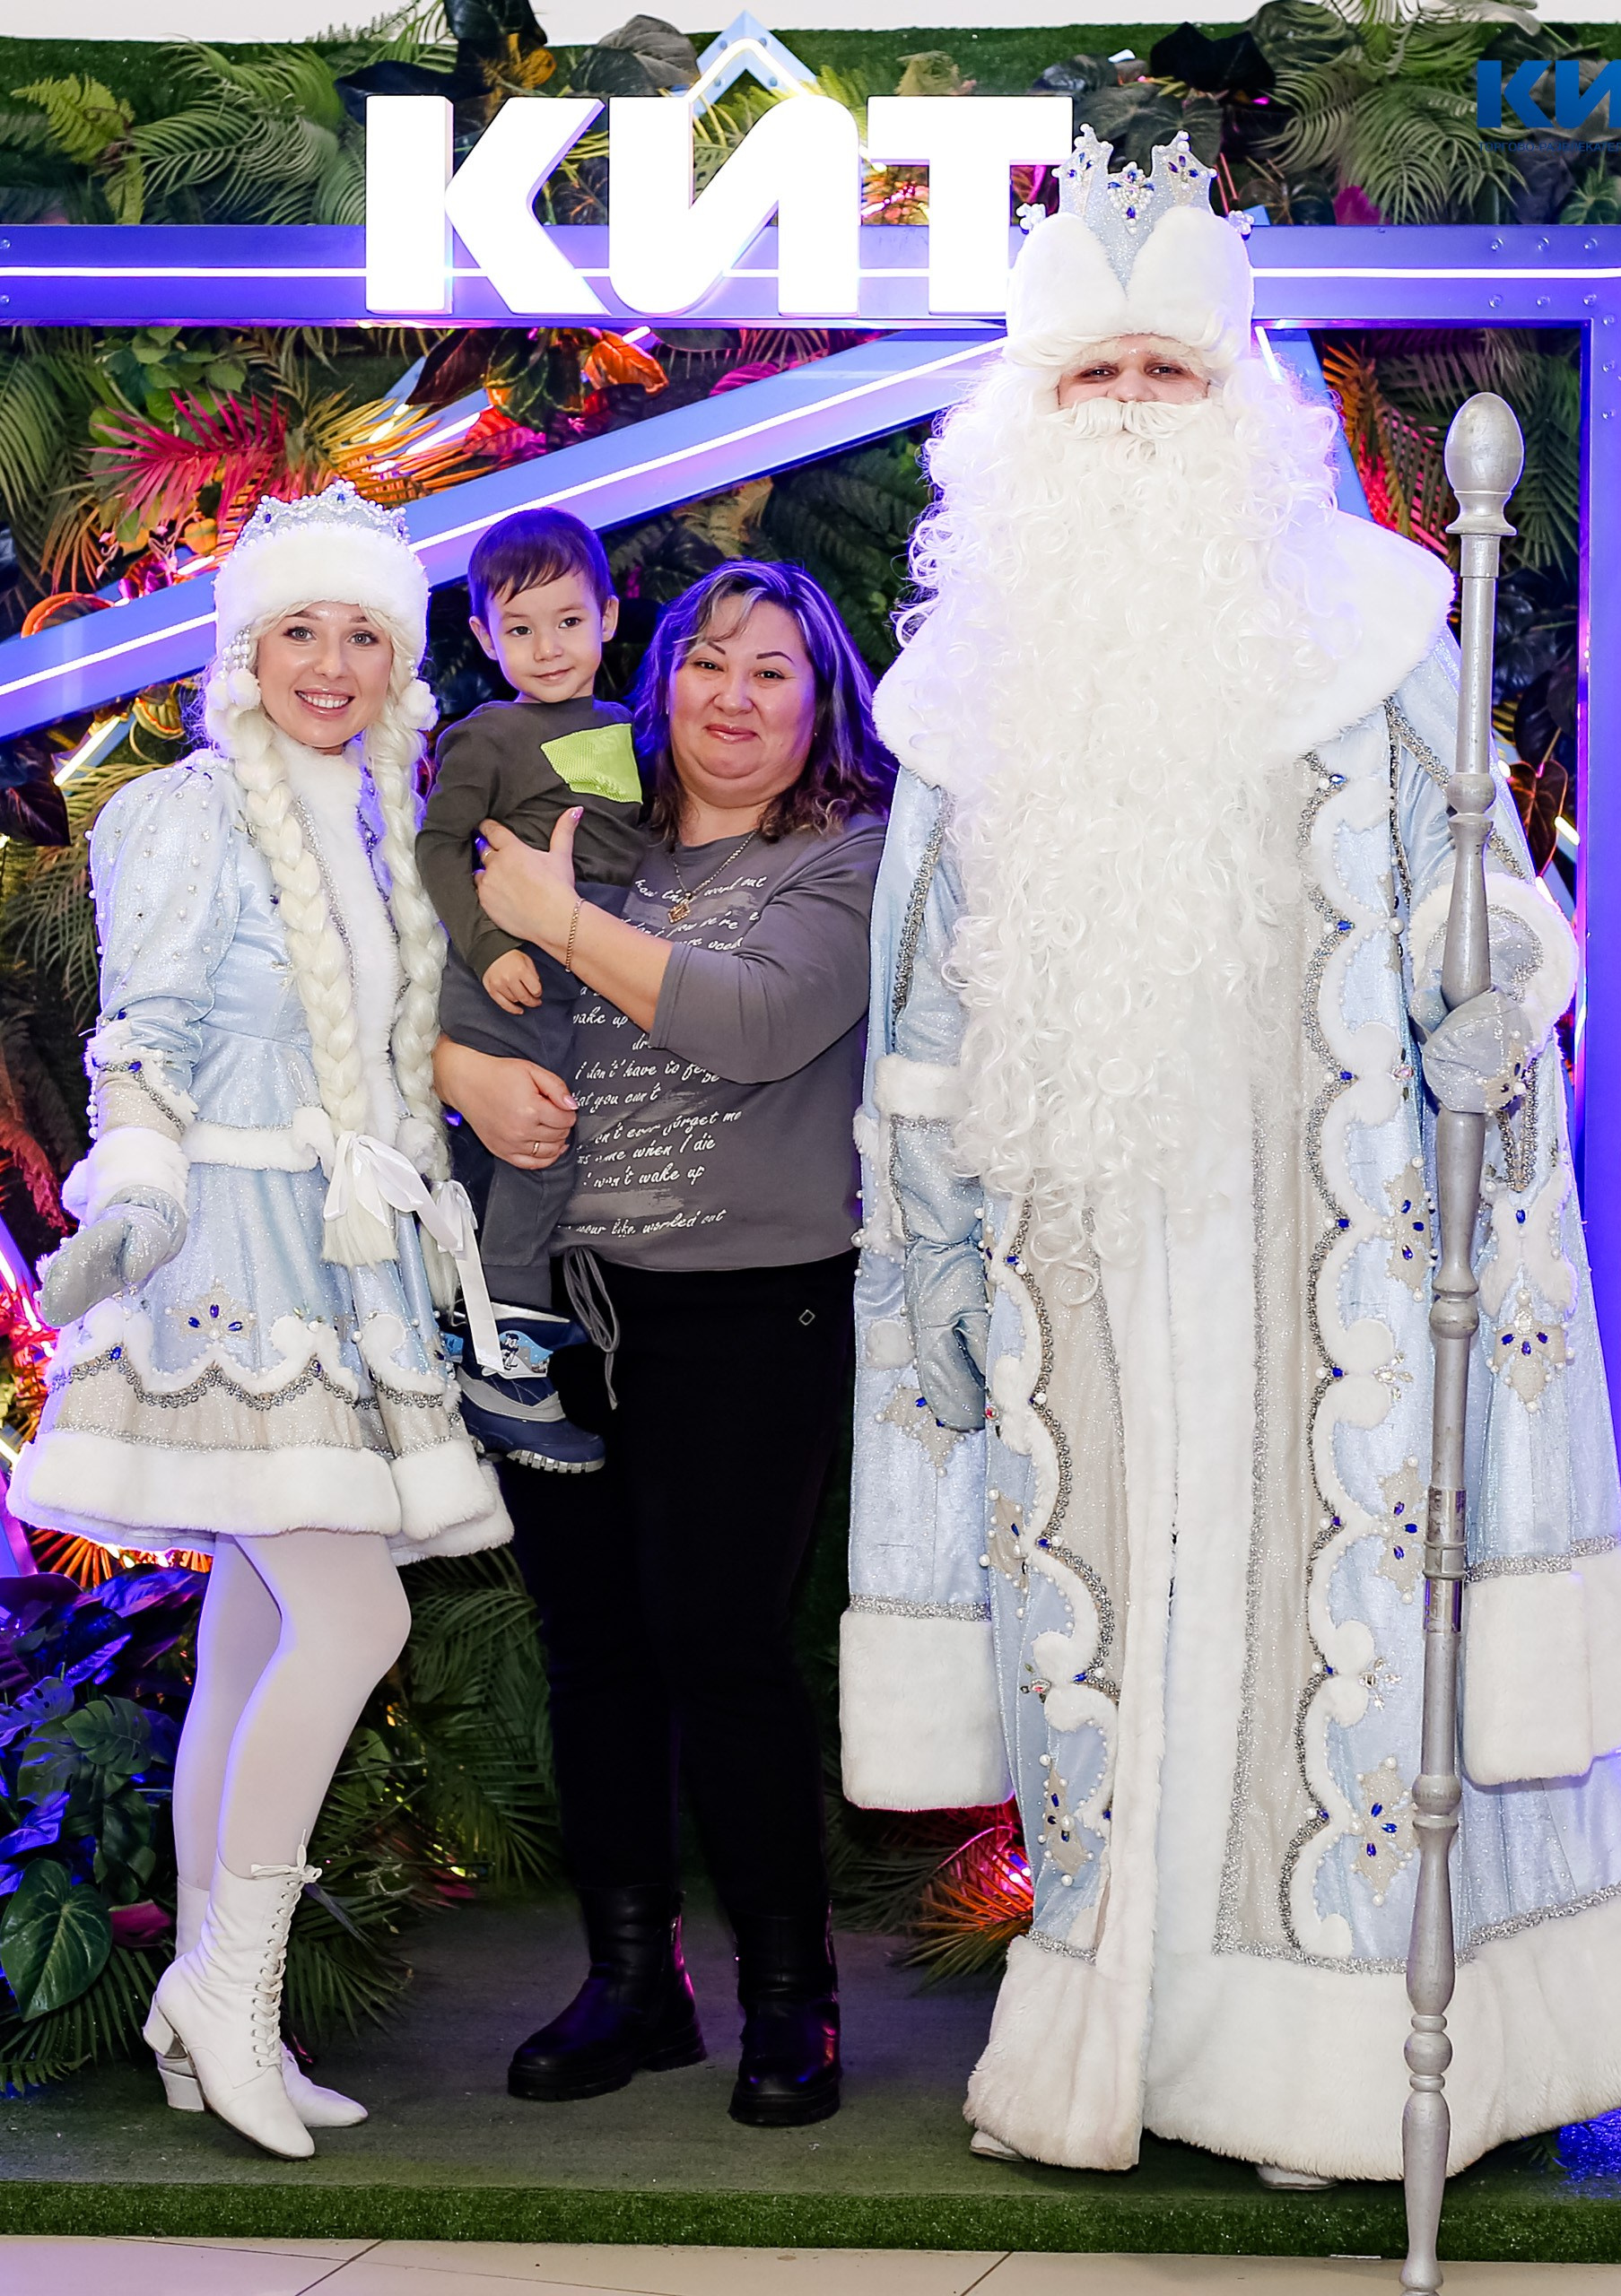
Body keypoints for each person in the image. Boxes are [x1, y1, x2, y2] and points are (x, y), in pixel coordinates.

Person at [839, 129, 1621, 2180]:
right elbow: (922, 1029)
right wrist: (940, 1266)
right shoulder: (963, 699)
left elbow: (1470, 897)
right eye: (1090, 381)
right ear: (1028, 418)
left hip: (1331, 1233)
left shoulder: (1376, 635)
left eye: (1163, 377)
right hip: (1074, 1255)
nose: (1130, 414)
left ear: (1233, 406)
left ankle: (1324, 2070)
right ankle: (1124, 2039)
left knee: (1320, 1658)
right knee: (1110, 1666)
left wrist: (1492, 971)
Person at [12, 483, 510, 2162]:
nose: (332, 658)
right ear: (244, 646)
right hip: (232, 1251)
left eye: (363, 629)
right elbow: (138, 1039)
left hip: (340, 1251)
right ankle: (227, 1985)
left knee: (250, 1632)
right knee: (351, 1624)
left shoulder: (375, 826)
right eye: (301, 624)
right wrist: (130, 1199)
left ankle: (213, 2008)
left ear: (397, 661)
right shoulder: (186, 814)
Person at [431, 560, 893, 2130]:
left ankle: (790, 1998)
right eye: (708, 663)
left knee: (725, 1650)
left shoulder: (844, 861)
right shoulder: (600, 847)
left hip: (749, 1313)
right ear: (661, 683)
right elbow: (457, 998)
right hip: (565, 1306)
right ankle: (632, 1983)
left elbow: (755, 1024)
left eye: (773, 670)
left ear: (819, 699)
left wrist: (557, 920)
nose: (733, 696)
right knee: (594, 1655)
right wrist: (460, 1065)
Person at [416, 506, 644, 1474]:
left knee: (552, 1154)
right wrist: (484, 941)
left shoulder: (632, 727)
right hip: (506, 976)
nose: (545, 648)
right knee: (540, 1154)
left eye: (565, 621)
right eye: (518, 629)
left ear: (608, 616)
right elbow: (434, 846)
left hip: (581, 973)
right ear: (481, 637)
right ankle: (501, 1367)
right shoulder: (488, 735)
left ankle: (481, 1320)